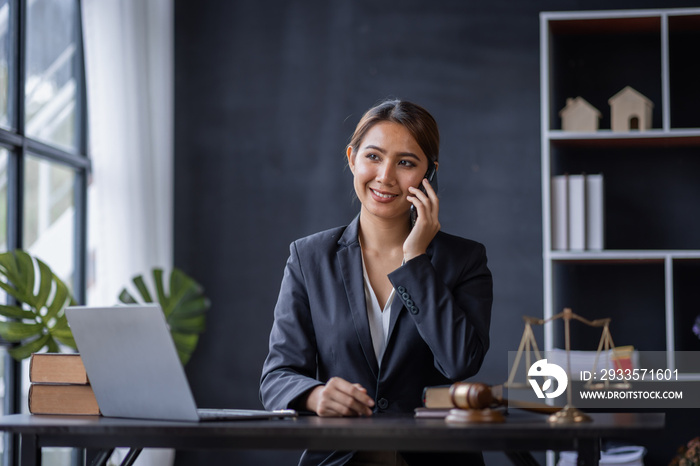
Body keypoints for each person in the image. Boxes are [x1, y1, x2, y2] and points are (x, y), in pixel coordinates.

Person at [260, 99, 493, 466]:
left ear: (428, 174)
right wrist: (315, 396)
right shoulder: (309, 258)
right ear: (352, 158)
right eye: (373, 157)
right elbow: (278, 375)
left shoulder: (464, 260)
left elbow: (460, 362)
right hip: (340, 457)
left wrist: (415, 260)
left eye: (405, 162)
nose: (385, 176)